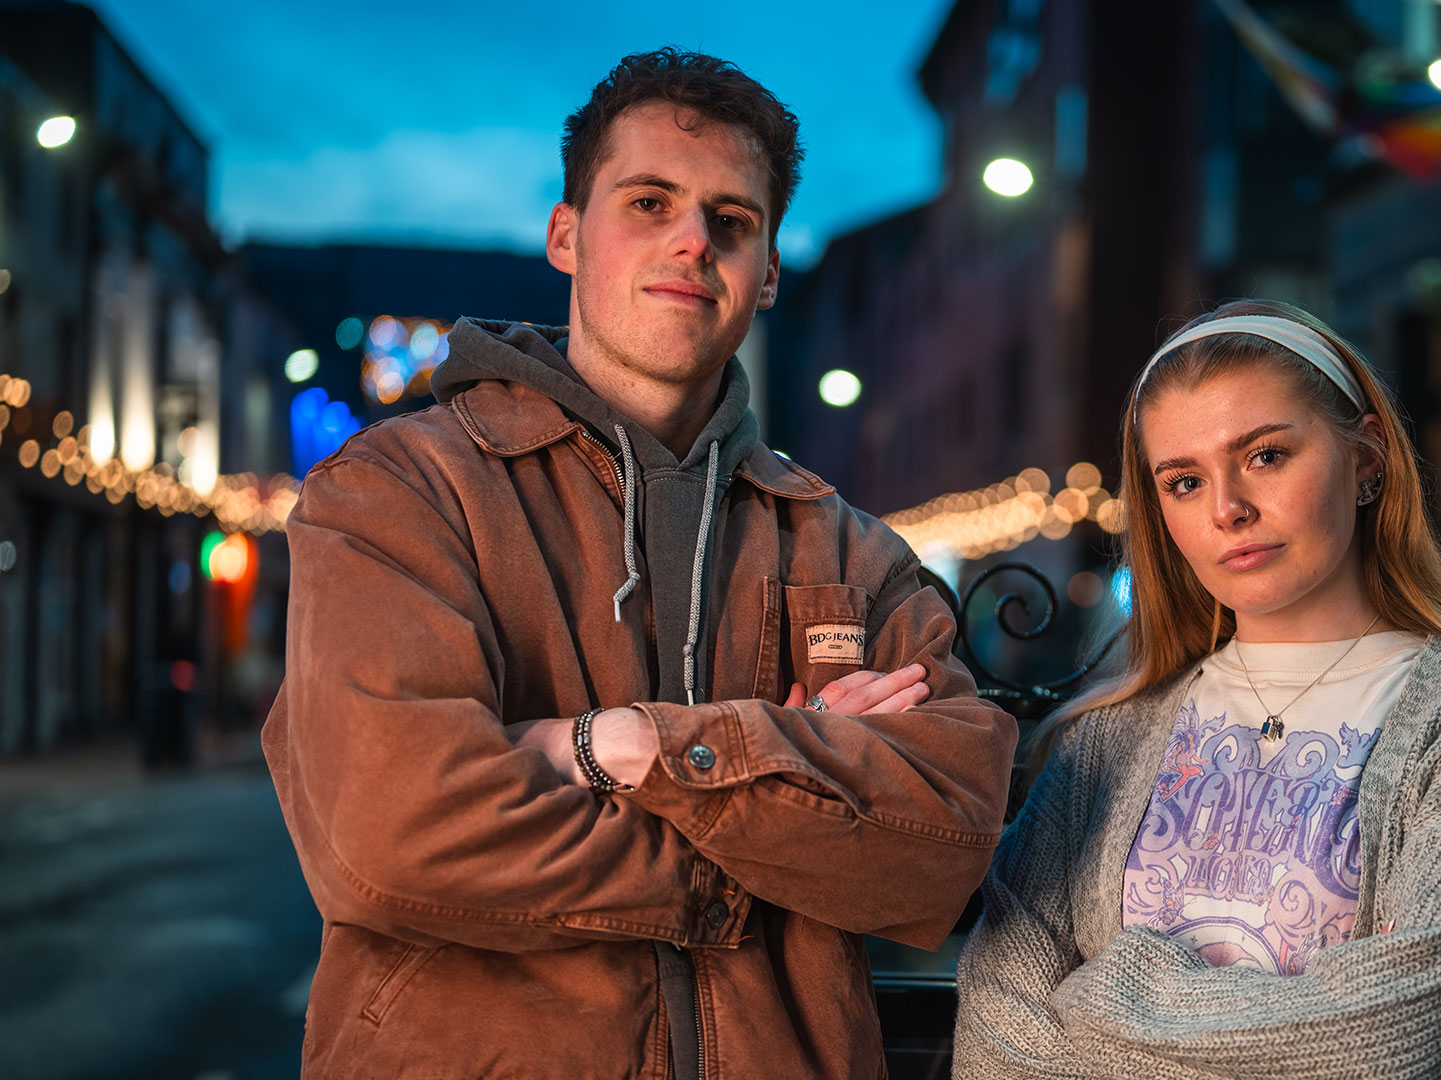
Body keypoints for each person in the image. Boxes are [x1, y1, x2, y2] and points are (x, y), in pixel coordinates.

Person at [262, 48, 1016, 1079]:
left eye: (732, 221)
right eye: (650, 201)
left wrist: (619, 748)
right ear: (567, 235)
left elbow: (944, 842)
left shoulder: (848, 547)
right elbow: (393, 837)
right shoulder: (400, 491)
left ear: (768, 274)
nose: (693, 242)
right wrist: (788, 796)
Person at [953, 299, 1441, 1079]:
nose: (1227, 509)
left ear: (1368, 459)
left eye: (1267, 455)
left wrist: (1108, 992)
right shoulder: (1108, 738)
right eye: (1182, 481)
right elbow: (997, 1041)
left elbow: (1407, 1038)